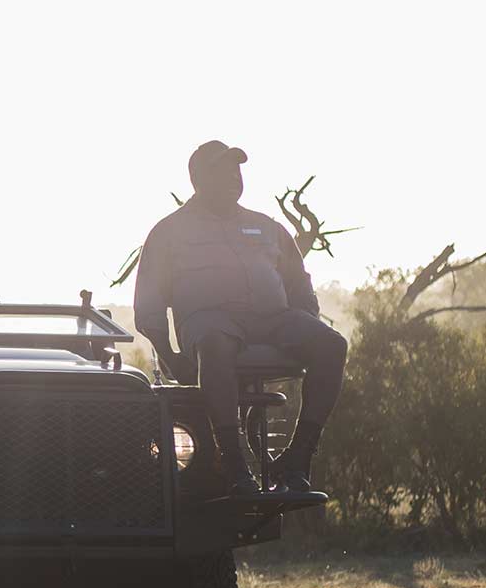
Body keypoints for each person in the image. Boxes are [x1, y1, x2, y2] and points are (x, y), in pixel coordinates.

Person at [133, 141, 349, 497]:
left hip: (273, 321)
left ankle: (298, 460)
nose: (234, 177)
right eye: (222, 171)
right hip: (209, 323)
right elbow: (149, 304)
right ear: (198, 178)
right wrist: (171, 356)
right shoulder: (169, 231)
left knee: (333, 345)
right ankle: (234, 465)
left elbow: (299, 284)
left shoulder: (266, 227)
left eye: (237, 170)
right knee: (214, 344)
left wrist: (305, 324)